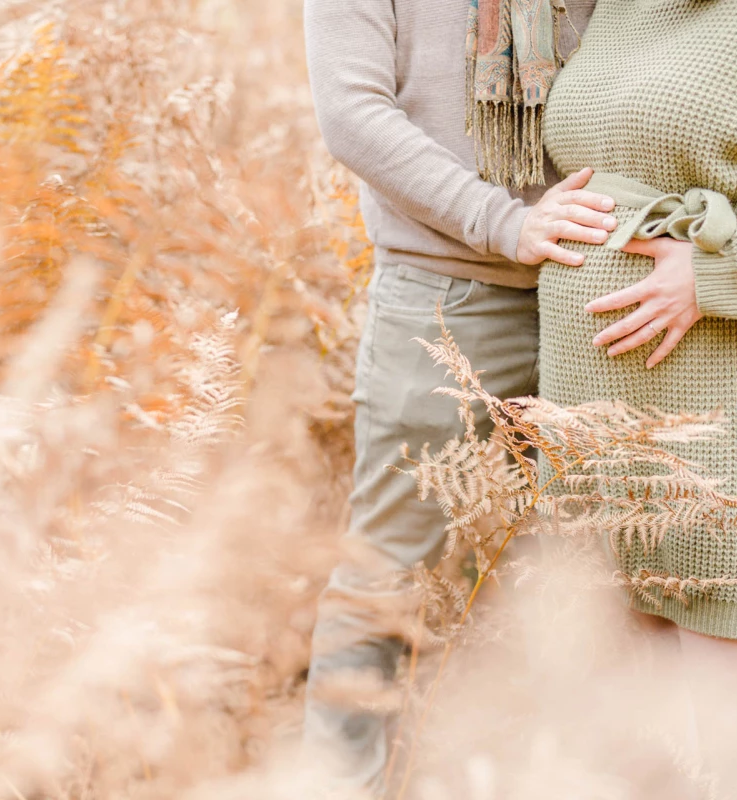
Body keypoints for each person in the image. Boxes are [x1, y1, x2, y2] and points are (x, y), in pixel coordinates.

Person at [530, 0, 737, 795]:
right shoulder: (622, 8)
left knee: (733, 734)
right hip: (589, 403)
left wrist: (716, 276)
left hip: (734, 397)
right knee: (617, 731)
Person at [301, 0, 601, 790]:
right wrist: (501, 220)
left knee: (591, 579)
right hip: (446, 300)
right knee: (388, 576)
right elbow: (352, 114)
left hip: (600, 294)